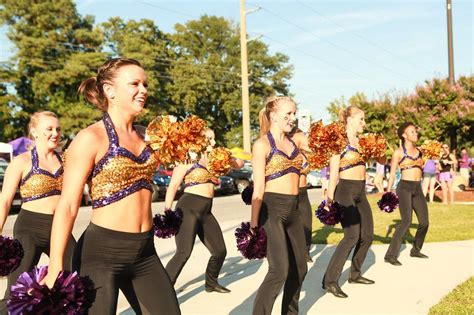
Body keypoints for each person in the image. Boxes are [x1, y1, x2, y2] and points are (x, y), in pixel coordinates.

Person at [42, 58, 180, 314]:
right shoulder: (90, 138)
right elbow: (68, 205)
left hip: (144, 253)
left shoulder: (148, 136)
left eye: (145, 84)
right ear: (110, 90)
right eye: (135, 84)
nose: (144, 90)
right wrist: (55, 267)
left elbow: (184, 157)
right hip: (101, 254)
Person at [0, 111, 76, 313]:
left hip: (60, 227)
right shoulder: (21, 162)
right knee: (17, 289)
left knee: (76, 277)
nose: (55, 133)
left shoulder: (66, 161)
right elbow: (5, 200)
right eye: (49, 129)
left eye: (58, 129)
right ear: (34, 132)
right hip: (29, 228)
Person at [165, 128, 243, 293]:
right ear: (199, 141)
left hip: (206, 211)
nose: (213, 143)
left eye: (214, 139)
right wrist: (167, 211)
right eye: (210, 139)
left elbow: (240, 165)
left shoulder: (216, 160)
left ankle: (211, 283)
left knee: (219, 251)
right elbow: (172, 186)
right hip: (188, 208)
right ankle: (163, 290)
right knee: (183, 252)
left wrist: (228, 157)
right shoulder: (187, 160)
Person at [250, 95, 308, 314]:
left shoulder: (293, 142)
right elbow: (258, 189)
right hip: (272, 210)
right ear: (273, 115)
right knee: (279, 271)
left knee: (300, 268)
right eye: (289, 113)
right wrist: (254, 225)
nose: (293, 117)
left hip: (295, 209)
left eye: (295, 113)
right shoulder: (262, 145)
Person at [322, 106, 386, 298]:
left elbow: (382, 161)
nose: (364, 124)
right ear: (349, 119)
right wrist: (329, 199)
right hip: (345, 191)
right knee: (351, 236)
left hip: (361, 191)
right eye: (361, 119)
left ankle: (355, 274)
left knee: (367, 235)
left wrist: (378, 148)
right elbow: (334, 173)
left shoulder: (364, 142)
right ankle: (330, 281)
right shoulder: (339, 142)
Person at [384, 123, 429, 266]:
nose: (415, 134)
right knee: (406, 221)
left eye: (416, 131)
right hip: (404, 188)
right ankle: (390, 255)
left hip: (417, 188)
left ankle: (416, 249)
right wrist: (388, 191)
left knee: (424, 222)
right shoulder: (398, 152)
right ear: (404, 135)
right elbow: (391, 174)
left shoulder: (421, 151)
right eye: (412, 132)